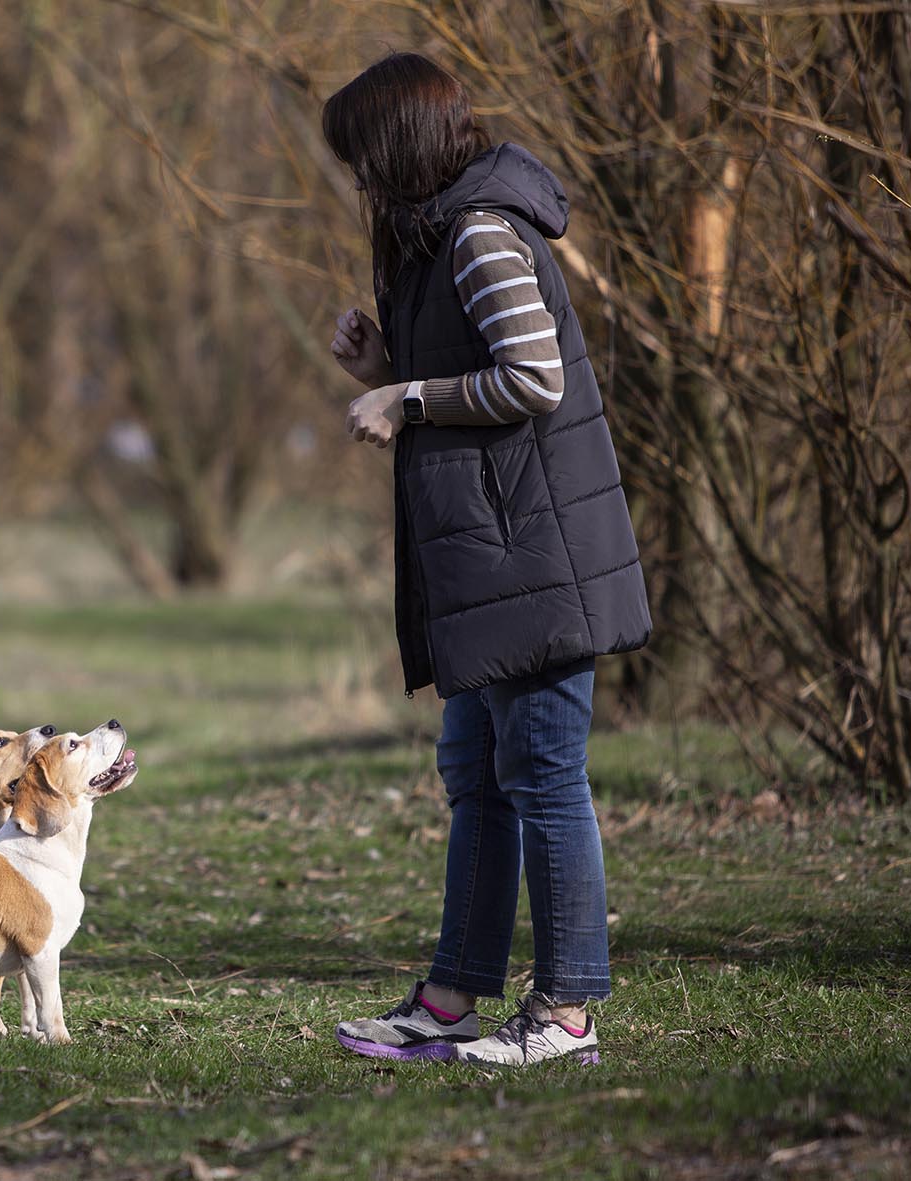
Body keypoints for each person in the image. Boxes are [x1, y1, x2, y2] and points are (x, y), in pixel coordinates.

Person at [319, 52, 652, 1067]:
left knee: (543, 775)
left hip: (534, 560)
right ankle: (452, 996)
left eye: (360, 160)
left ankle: (562, 1015)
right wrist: (390, 363)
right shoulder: (438, 234)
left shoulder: (478, 234)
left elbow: (532, 377)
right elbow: (483, 371)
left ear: (398, 147)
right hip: (489, 562)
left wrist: (405, 398)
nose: (357, 183)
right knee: (473, 770)